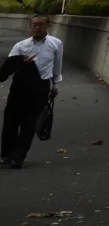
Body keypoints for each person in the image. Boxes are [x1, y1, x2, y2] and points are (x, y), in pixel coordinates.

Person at [2, 14, 62, 168]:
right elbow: (8, 66)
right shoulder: (21, 45)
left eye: (41, 24)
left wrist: (55, 85)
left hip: (40, 88)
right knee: (10, 122)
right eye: (34, 24)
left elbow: (57, 66)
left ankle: (18, 157)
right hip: (19, 87)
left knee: (29, 124)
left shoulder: (56, 44)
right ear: (30, 27)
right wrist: (21, 61)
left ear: (48, 26)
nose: (37, 27)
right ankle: (6, 154)